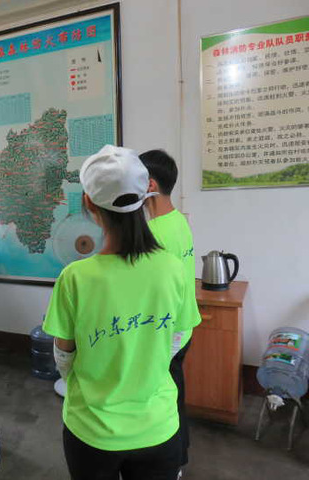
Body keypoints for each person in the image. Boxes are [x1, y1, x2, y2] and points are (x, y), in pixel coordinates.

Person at [43, 145, 200, 480]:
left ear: (88, 203)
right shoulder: (172, 268)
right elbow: (178, 335)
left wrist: (84, 384)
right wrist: (147, 369)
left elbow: (63, 355)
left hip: (92, 429)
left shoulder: (74, 277)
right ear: (144, 196)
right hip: (158, 427)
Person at [140, 149, 201, 471]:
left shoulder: (155, 233)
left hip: (168, 333)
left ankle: (172, 463)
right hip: (184, 325)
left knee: (162, 401)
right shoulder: (178, 221)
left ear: (149, 184)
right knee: (175, 394)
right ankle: (180, 457)